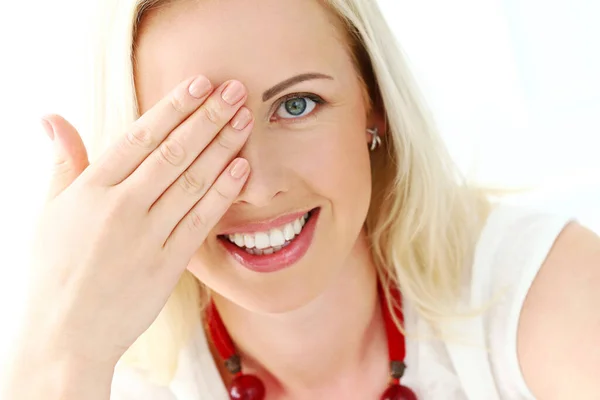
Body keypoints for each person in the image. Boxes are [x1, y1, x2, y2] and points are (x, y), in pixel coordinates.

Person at [2, 0, 599, 399]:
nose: (259, 186)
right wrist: (63, 351)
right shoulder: (109, 374)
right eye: (199, 135)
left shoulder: (540, 285)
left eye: (297, 105)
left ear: (375, 107)